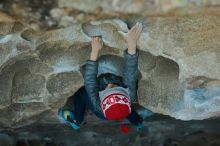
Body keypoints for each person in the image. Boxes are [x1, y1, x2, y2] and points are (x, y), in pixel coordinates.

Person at [58, 22, 144, 133]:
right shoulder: (129, 94)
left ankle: (76, 121)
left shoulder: (97, 102)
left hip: (102, 113)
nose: (109, 84)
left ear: (101, 99)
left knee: (81, 95)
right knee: (127, 110)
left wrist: (95, 51)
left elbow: (90, 80)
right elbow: (130, 70)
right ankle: (138, 122)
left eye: (107, 90)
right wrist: (132, 43)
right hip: (118, 108)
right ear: (125, 93)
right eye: (116, 87)